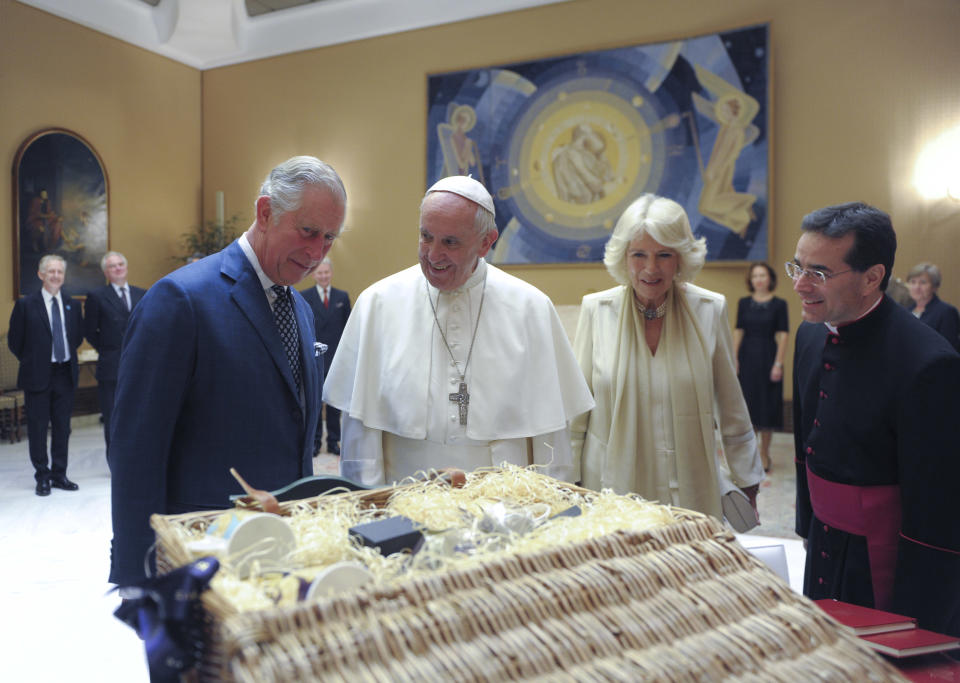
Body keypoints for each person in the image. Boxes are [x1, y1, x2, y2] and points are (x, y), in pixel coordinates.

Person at [108, 156, 346, 585]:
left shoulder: (300, 310)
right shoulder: (181, 300)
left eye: (329, 238)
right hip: (202, 554)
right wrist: (138, 576)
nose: (316, 252)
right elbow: (135, 451)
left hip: (276, 553)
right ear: (265, 212)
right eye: (308, 231)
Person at [324, 175, 593, 486]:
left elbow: (550, 433)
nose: (433, 255)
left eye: (450, 242)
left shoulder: (531, 307)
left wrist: (548, 505)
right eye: (426, 236)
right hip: (404, 496)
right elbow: (360, 428)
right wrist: (368, 505)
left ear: (486, 242)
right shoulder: (378, 303)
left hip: (504, 503)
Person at [790, 202, 960, 637]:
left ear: (872, 277)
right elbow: (803, 447)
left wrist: (926, 615)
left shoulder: (928, 363)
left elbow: (937, 509)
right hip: (823, 541)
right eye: (798, 266)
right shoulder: (810, 334)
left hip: (883, 562)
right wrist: (806, 526)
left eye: (819, 273)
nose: (800, 285)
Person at [571, 194, 763, 526]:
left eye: (664, 255)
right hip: (610, 485)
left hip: (690, 486)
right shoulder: (597, 310)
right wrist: (568, 481)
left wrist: (748, 480)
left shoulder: (709, 309)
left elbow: (731, 406)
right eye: (638, 255)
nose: (650, 268)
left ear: (680, 259)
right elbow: (576, 414)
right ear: (623, 257)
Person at [7, 254, 84, 495]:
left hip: (65, 373)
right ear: (41, 275)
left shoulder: (72, 304)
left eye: (59, 272)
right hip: (38, 375)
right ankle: (42, 476)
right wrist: (33, 361)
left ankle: (59, 474)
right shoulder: (26, 305)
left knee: (63, 428)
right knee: (38, 429)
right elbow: (14, 342)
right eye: (50, 271)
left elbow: (77, 338)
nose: (55, 276)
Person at [83, 251, 146, 464]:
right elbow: (90, 331)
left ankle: (137, 459)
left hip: (140, 366)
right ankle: (116, 462)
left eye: (121, 264)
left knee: (139, 415)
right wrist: (109, 350)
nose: (118, 268)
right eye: (112, 266)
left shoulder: (142, 294)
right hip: (111, 366)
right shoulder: (96, 296)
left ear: (126, 268)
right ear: (106, 272)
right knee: (112, 417)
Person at [733, 262, 788, 472]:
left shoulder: (779, 304)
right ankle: (751, 452)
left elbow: (783, 335)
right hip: (747, 359)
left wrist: (778, 364)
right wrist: (734, 358)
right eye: (755, 276)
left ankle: (765, 453)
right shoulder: (744, 303)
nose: (758, 279)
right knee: (749, 407)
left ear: (770, 279)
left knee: (768, 407)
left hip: (768, 358)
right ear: (751, 280)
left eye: (762, 275)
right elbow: (738, 331)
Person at [301, 257, 351, 455]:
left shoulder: (342, 297)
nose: (323, 276)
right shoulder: (304, 297)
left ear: (331, 273)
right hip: (315, 357)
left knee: (333, 402)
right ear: (313, 274)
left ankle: (333, 441)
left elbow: (348, 328)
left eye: (326, 272)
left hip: (337, 358)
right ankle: (314, 442)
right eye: (319, 273)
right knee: (314, 402)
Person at [905, 262, 960, 351]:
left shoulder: (946, 312)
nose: (916, 287)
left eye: (923, 282)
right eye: (913, 282)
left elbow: (949, 348)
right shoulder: (906, 311)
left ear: (934, 287)